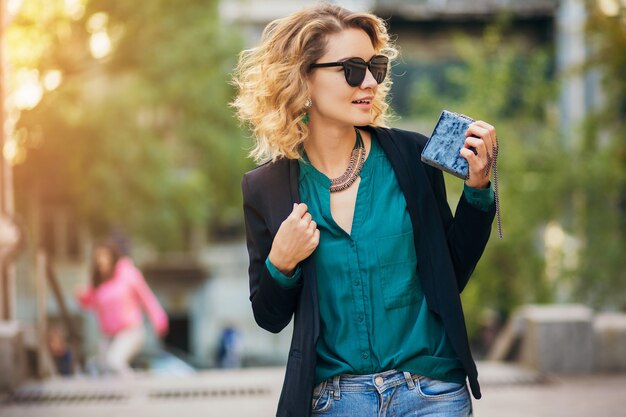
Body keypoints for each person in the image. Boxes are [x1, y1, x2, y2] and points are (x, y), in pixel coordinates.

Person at [233, 3, 497, 416]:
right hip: (336, 403)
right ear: (303, 78)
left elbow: (450, 273)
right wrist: (280, 264)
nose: (370, 81)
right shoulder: (265, 188)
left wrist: (478, 191)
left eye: (376, 66)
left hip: (432, 394)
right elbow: (269, 317)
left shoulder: (413, 157)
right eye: (352, 69)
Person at [77, 240, 168, 375]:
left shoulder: (127, 273)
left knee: (114, 361)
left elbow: (146, 296)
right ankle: (118, 392)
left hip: (130, 331)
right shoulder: (98, 281)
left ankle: (133, 389)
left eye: (104, 256)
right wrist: (83, 297)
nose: (101, 261)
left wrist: (158, 318)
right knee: (102, 369)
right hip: (108, 336)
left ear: (112, 257)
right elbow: (91, 302)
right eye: (97, 257)